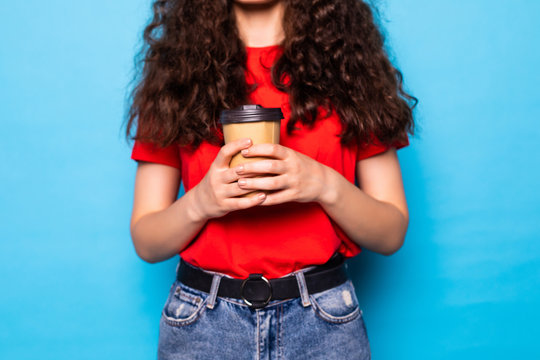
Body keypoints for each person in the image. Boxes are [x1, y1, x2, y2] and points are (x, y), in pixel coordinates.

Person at [125, 0, 417, 359]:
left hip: (323, 324)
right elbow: (147, 241)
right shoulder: (176, 74)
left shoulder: (351, 67)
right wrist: (201, 203)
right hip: (202, 326)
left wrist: (324, 185)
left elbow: (391, 233)